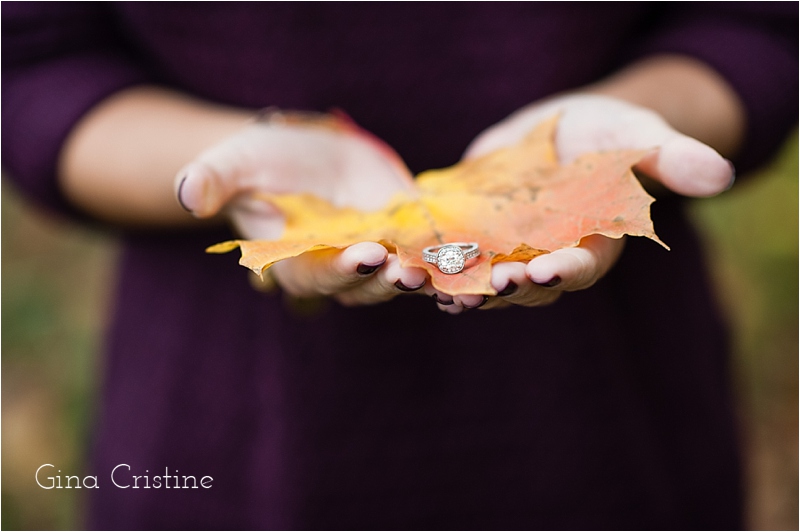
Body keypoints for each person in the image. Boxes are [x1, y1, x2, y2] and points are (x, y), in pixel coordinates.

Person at [3, 3, 796, 529]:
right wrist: (208, 167)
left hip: (617, 433)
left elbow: (754, 24)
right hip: (226, 449)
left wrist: (650, 124)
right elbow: (33, 65)